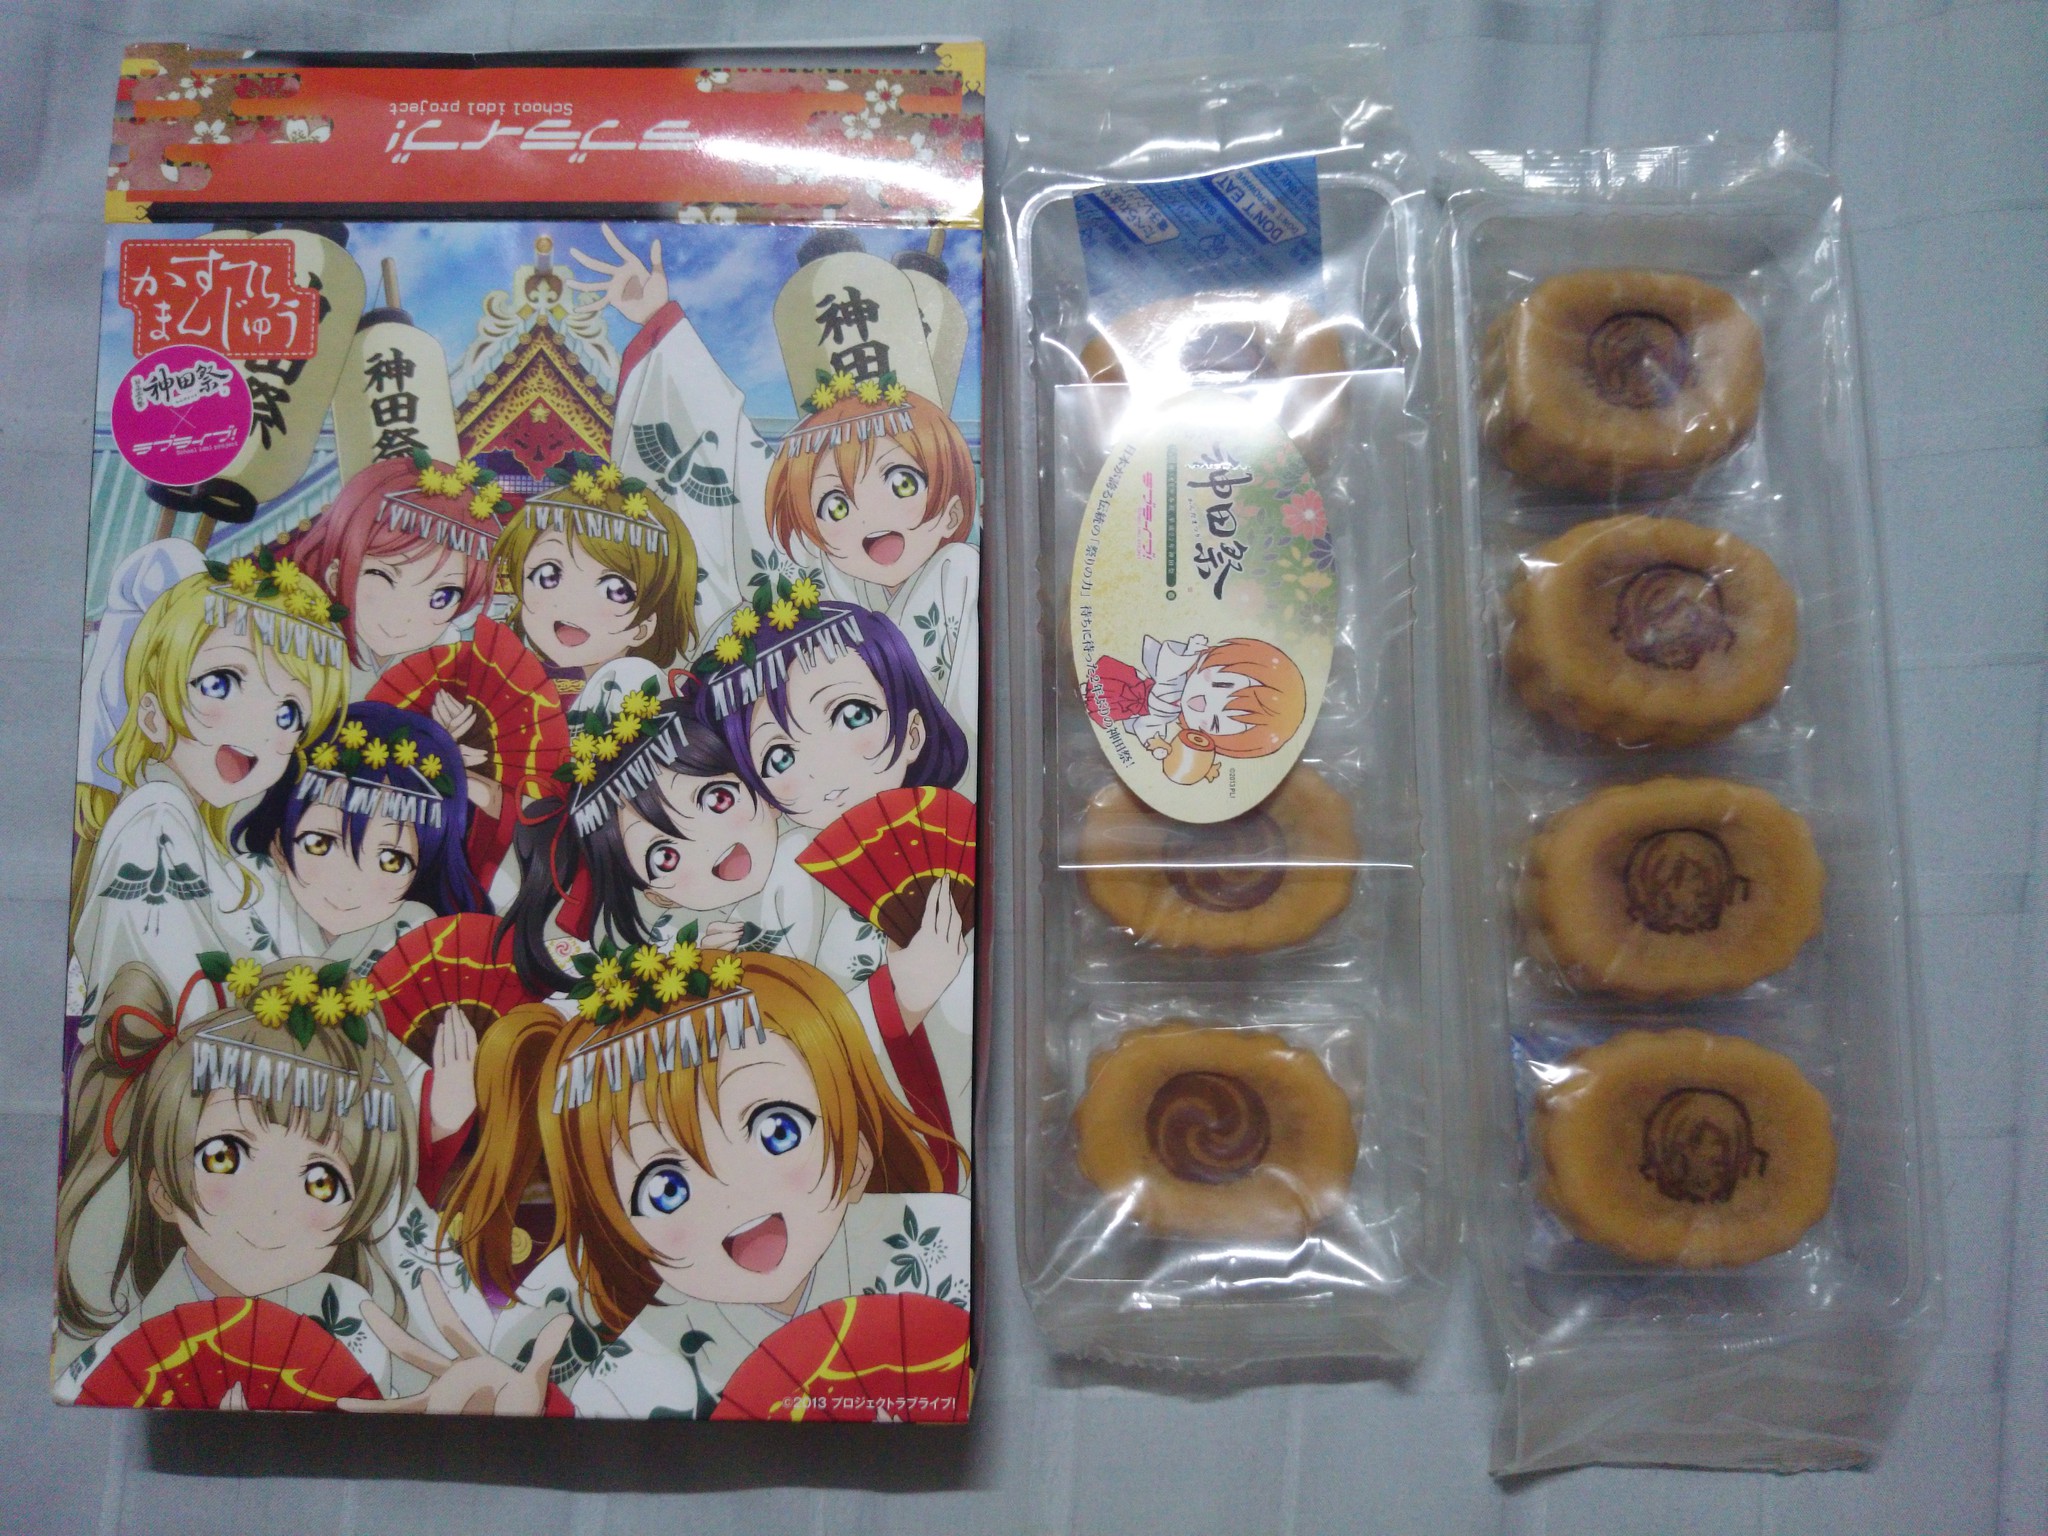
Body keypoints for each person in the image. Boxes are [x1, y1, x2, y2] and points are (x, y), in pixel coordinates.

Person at [430, 949, 966, 1416]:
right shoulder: (629, 1366)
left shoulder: (941, 1246)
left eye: (777, 1131)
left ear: (858, 1148)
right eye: (665, 1187)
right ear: (618, 1231)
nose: (734, 1191)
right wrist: (530, 1412)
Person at [53, 959, 417, 1401]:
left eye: (322, 1181)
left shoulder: (358, 1325)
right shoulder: (121, 1361)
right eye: (226, 1156)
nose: (272, 1205)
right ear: (162, 1190)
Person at [71, 566, 348, 1017]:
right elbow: (169, 1003)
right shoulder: (155, 817)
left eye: (288, 714)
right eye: (220, 684)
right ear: (152, 714)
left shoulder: (213, 848)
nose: (256, 727)